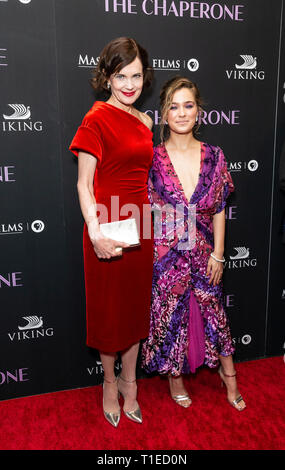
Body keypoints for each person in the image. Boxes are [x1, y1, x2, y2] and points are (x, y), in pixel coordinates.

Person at [141, 76, 246, 411]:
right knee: (170, 317)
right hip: (167, 256)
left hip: (204, 252)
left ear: (198, 111)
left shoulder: (214, 156)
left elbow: (218, 208)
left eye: (188, 105)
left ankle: (230, 379)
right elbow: (146, 211)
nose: (182, 113)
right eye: (174, 106)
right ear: (163, 113)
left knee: (214, 313)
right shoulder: (152, 159)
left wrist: (219, 253)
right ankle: (176, 379)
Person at [69, 37, 154, 427]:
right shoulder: (96, 119)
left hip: (142, 225)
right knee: (108, 314)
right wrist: (95, 232)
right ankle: (108, 382)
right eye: (121, 75)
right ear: (106, 76)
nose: (129, 84)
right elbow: (84, 185)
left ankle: (129, 382)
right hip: (106, 226)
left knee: (135, 311)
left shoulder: (147, 121)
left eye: (135, 75)